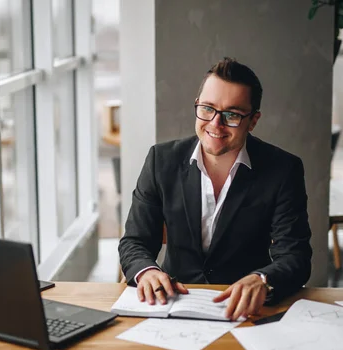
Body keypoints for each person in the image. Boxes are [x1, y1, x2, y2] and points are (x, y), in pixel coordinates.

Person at [119, 57, 312, 321]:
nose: (215, 124)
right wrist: (147, 271)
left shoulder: (283, 169)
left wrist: (263, 280)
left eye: (232, 114)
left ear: (253, 120)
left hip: (245, 311)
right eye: (207, 109)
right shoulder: (160, 160)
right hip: (173, 307)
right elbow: (135, 241)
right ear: (197, 105)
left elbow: (296, 257)